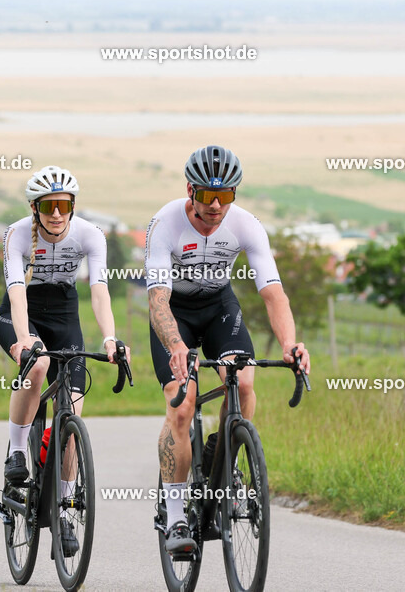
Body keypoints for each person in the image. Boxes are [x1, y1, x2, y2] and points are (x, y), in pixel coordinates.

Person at [145, 145, 311, 555]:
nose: (216, 205)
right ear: (190, 191)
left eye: (225, 195)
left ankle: (226, 458)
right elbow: (158, 300)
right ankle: (176, 512)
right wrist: (176, 345)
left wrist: (290, 344)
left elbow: (273, 293)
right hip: (175, 313)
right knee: (182, 405)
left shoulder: (245, 225)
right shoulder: (165, 223)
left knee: (245, 383)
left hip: (219, 307)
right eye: (207, 195)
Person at [0, 165, 120, 556]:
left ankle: (64, 512)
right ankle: (18, 451)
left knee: (72, 417)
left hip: (65, 315)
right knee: (38, 365)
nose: (55, 213)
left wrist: (110, 338)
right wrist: (24, 340)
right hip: (23, 313)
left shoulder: (90, 234)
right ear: (34, 207)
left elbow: (99, 291)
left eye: (63, 205)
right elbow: (16, 295)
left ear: (72, 206)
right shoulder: (16, 235)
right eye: (47, 205)